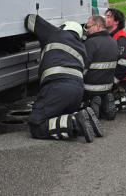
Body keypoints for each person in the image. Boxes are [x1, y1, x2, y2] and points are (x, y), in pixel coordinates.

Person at [24, 14, 102, 142]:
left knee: (36, 125)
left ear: (65, 27)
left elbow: (31, 19)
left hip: (57, 87)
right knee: (56, 117)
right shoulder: (82, 47)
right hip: (77, 91)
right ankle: (81, 117)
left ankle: (76, 121)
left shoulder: (55, 33)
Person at [83, 15, 119, 120]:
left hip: (89, 87)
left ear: (98, 26)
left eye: (88, 27)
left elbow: (83, 68)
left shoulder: (90, 43)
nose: (87, 30)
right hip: (107, 86)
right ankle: (105, 104)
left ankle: (91, 104)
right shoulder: (113, 41)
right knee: (101, 102)